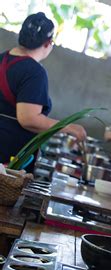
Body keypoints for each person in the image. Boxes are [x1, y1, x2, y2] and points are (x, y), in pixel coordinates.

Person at [0, 12, 86, 170]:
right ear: (48, 43)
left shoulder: (2, 58)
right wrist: (68, 127)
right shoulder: (33, 71)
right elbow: (28, 118)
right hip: (6, 154)